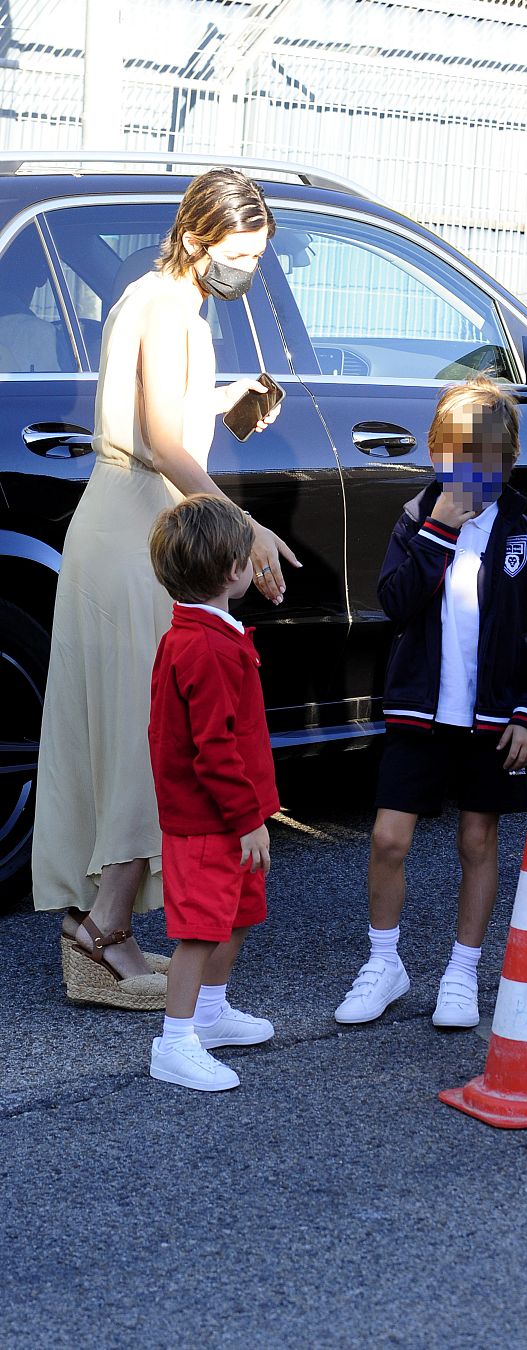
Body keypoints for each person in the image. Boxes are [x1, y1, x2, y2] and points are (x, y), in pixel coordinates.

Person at [33, 166, 299, 1010]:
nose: (247, 269)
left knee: (127, 734)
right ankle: (102, 932)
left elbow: (154, 416)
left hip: (125, 524)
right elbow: (159, 441)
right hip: (135, 533)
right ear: (195, 238)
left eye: (257, 254)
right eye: (240, 252)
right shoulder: (168, 308)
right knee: (148, 740)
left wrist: (220, 401)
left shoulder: (158, 298)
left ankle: (99, 924)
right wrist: (244, 523)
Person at [334, 376, 527, 1029]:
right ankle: (384, 963)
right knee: (388, 838)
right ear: (437, 455)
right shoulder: (416, 521)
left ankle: (462, 972)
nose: (471, 473)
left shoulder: (524, 537)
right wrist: (438, 529)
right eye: (458, 458)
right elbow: (396, 601)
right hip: (419, 714)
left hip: (494, 724)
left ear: (508, 463)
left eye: (487, 460)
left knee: (476, 838)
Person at [147, 494, 279, 1092]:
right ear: (233, 571)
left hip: (229, 816)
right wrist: (248, 818)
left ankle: (209, 1013)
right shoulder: (204, 647)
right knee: (200, 930)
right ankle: (174, 1042)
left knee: (239, 914)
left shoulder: (203, 634)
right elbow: (214, 748)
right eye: (250, 557)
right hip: (210, 821)